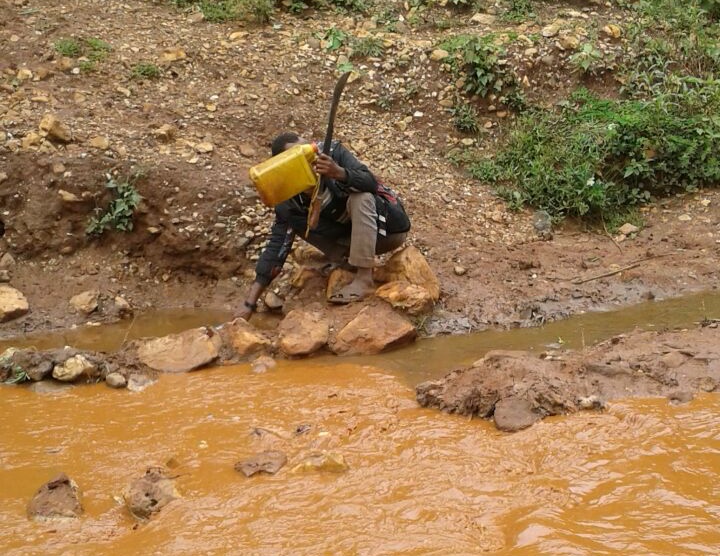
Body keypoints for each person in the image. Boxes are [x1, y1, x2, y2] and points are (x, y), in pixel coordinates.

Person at [237, 131, 411, 320]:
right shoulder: (288, 200)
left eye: (308, 150)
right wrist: (250, 302)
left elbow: (370, 182)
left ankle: (364, 278)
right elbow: (277, 246)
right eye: (301, 158)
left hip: (388, 230)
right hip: (348, 239)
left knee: (362, 197)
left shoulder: (332, 153)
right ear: (285, 168)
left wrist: (340, 173)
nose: (313, 158)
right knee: (295, 221)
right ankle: (346, 263)